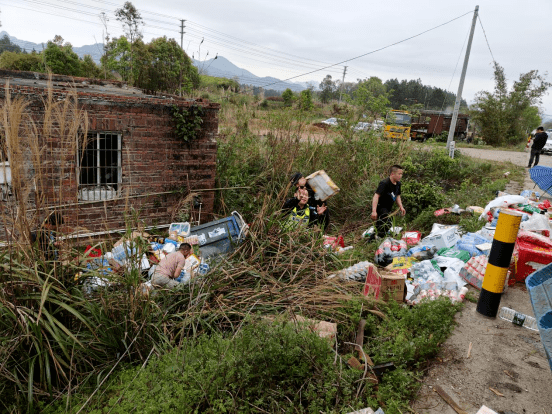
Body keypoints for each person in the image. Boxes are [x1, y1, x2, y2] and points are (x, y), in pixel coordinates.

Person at [371, 165, 406, 239]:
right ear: (392, 174)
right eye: (399, 174)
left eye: (401, 174)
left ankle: (373, 239)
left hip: (388, 208)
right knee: (387, 223)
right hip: (381, 207)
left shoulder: (398, 184)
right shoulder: (384, 183)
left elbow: (397, 196)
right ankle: (379, 238)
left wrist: (401, 207)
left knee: (380, 225)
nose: (401, 176)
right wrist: (374, 211)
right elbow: (376, 196)